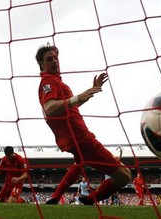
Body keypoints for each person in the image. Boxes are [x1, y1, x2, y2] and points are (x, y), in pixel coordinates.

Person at [36, 44, 131, 205]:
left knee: (80, 163)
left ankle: (55, 197)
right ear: (42, 64)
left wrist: (91, 90)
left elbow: (68, 108)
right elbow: (50, 108)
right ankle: (90, 200)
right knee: (124, 175)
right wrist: (78, 97)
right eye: (49, 59)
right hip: (81, 137)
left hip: (74, 137)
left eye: (56, 57)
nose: (54, 61)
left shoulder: (57, 82)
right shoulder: (49, 82)